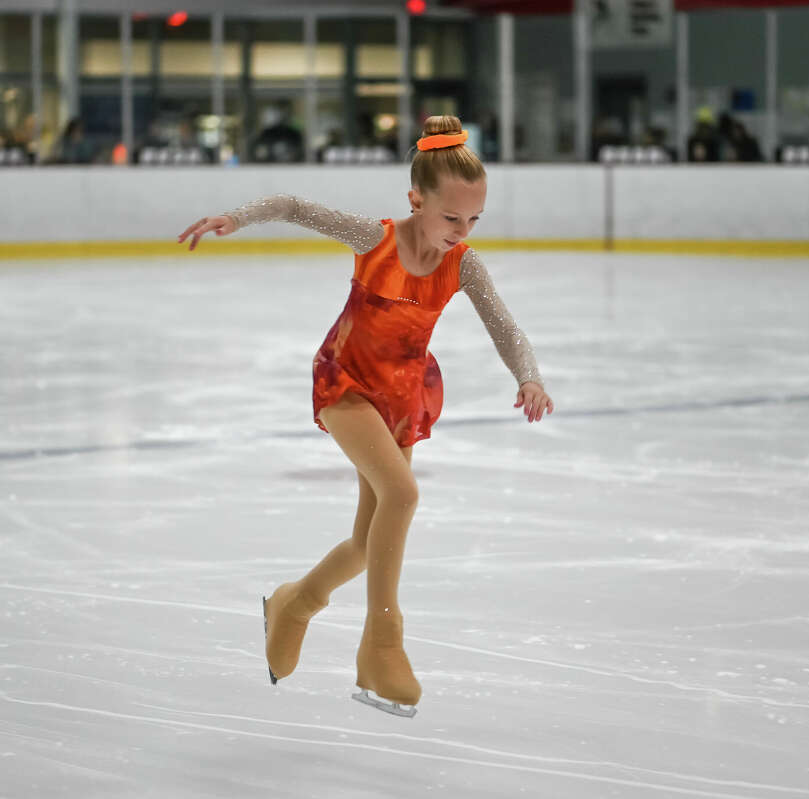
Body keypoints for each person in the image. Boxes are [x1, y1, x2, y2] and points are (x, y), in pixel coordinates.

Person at [177, 114, 553, 718]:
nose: (461, 231)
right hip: (347, 383)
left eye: (473, 219)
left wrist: (528, 375)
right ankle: (381, 644)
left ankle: (294, 603)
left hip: (402, 397)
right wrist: (237, 217)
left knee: (366, 537)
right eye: (450, 217)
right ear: (416, 199)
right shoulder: (374, 239)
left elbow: (505, 327)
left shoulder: (464, 266)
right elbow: (296, 205)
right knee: (401, 495)